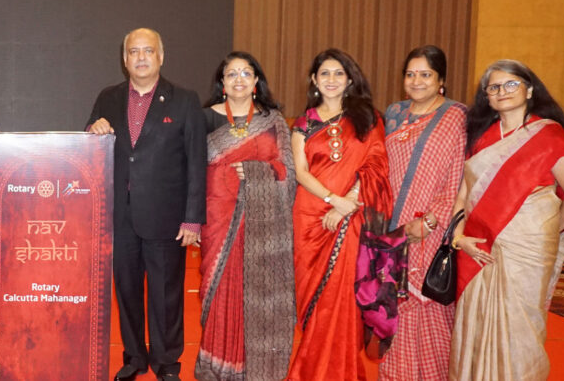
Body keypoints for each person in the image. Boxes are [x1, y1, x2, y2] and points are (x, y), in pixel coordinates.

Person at [449, 59, 564, 380]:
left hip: (527, 251)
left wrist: (543, 231)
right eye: (494, 87)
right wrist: (459, 237)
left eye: (511, 84)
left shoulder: (548, 136)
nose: (503, 91)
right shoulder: (482, 138)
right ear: (487, 97)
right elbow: (463, 196)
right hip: (476, 249)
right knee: (475, 324)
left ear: (529, 90)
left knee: (519, 329)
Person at [87, 28, 206, 381]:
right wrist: (93, 128)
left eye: (148, 51)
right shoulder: (108, 97)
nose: (141, 57)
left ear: (161, 56)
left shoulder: (185, 100)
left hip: (166, 217)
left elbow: (197, 163)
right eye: (134, 51)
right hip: (119, 217)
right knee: (127, 292)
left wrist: (193, 219)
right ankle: (135, 357)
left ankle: (167, 363)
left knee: (166, 296)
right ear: (124, 59)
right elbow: (92, 143)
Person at [287, 48, 390, 380]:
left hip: (350, 218)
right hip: (310, 218)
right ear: (314, 80)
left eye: (338, 73)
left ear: (349, 80)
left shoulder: (368, 119)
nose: (331, 79)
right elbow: (301, 172)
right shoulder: (303, 123)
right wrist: (332, 199)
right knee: (312, 302)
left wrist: (348, 202)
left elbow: (376, 164)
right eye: (324, 74)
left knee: (342, 300)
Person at [195, 52, 294, 381]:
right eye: (231, 74)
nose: (239, 79)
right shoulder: (203, 118)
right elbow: (190, 171)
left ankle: (251, 367)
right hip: (217, 218)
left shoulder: (273, 120)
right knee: (218, 290)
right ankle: (218, 365)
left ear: (256, 81)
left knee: (254, 293)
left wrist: (257, 171)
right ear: (222, 83)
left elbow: (288, 171)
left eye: (246, 73)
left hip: (261, 224)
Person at [378, 45, 466, 381]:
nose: (417, 81)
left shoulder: (455, 117)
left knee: (429, 310)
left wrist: (429, 221)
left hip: (431, 230)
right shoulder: (395, 114)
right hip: (392, 229)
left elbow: (459, 178)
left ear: (441, 80)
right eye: (410, 74)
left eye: (426, 74)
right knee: (394, 313)